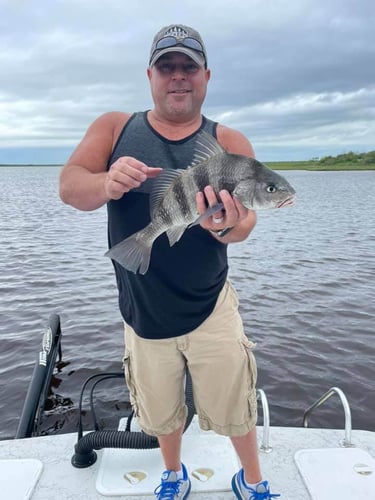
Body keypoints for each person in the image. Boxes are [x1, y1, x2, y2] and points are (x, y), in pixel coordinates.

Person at [59, 24, 280, 500]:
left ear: (206, 76)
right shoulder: (115, 127)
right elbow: (69, 186)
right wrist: (105, 184)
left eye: (189, 67)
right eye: (167, 67)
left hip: (211, 305)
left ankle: (253, 479)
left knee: (235, 403)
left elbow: (244, 228)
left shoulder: (229, 138)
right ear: (150, 75)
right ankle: (173, 474)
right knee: (160, 411)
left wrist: (225, 224)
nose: (178, 77)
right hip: (142, 309)